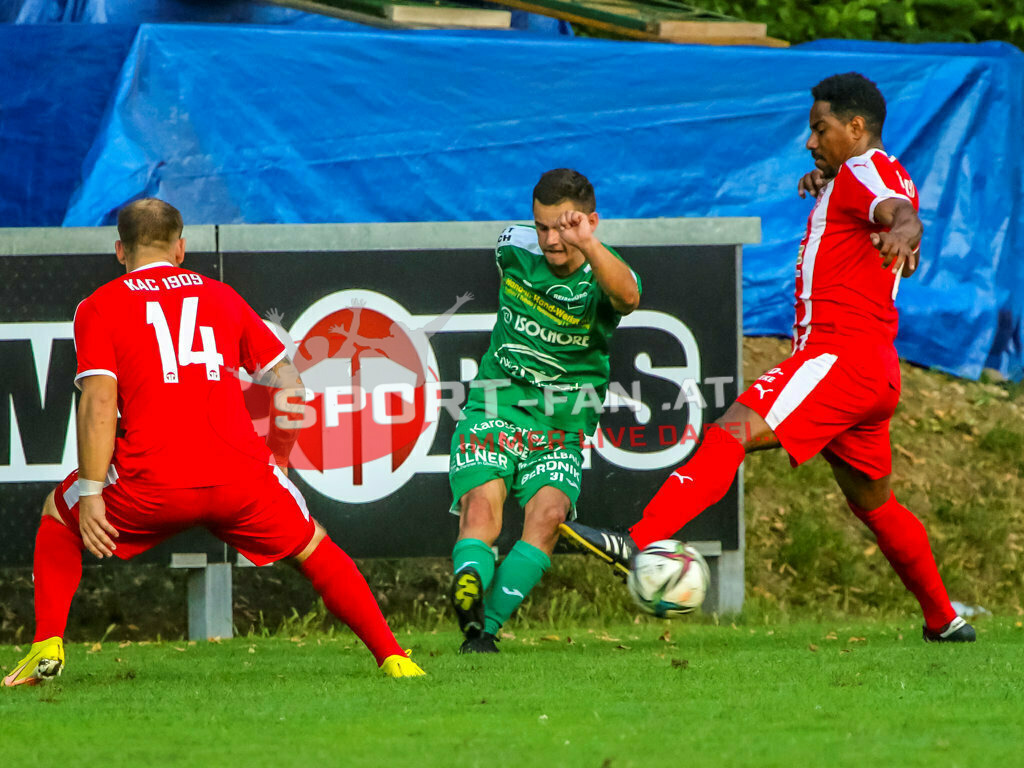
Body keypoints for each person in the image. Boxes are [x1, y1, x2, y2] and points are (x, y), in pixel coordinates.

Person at [561, 73, 976, 644]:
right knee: (875, 504)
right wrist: (828, 179)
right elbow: (874, 197)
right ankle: (943, 619)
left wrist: (905, 230)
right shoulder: (860, 172)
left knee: (731, 431)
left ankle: (639, 539)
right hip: (873, 369)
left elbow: (896, 210)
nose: (809, 141)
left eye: (820, 129)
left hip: (839, 356)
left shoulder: (865, 171)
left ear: (856, 128)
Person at [3, 199, 425, 686]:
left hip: (151, 483)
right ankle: (393, 657)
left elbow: (99, 402)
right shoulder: (221, 296)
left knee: (58, 514)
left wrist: (94, 492)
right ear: (181, 248)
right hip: (240, 478)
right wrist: (279, 461)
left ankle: (46, 647)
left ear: (120, 250)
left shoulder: (99, 305)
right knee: (315, 547)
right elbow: (291, 387)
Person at [448, 168, 641, 653]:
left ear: (590, 222)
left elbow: (629, 297)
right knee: (479, 507)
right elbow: (525, 247)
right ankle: (468, 583)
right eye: (543, 227)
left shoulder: (605, 274)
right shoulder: (511, 247)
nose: (553, 240)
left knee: (549, 515)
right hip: (497, 403)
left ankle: (483, 631)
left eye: (566, 226)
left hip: (563, 420)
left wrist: (589, 245)